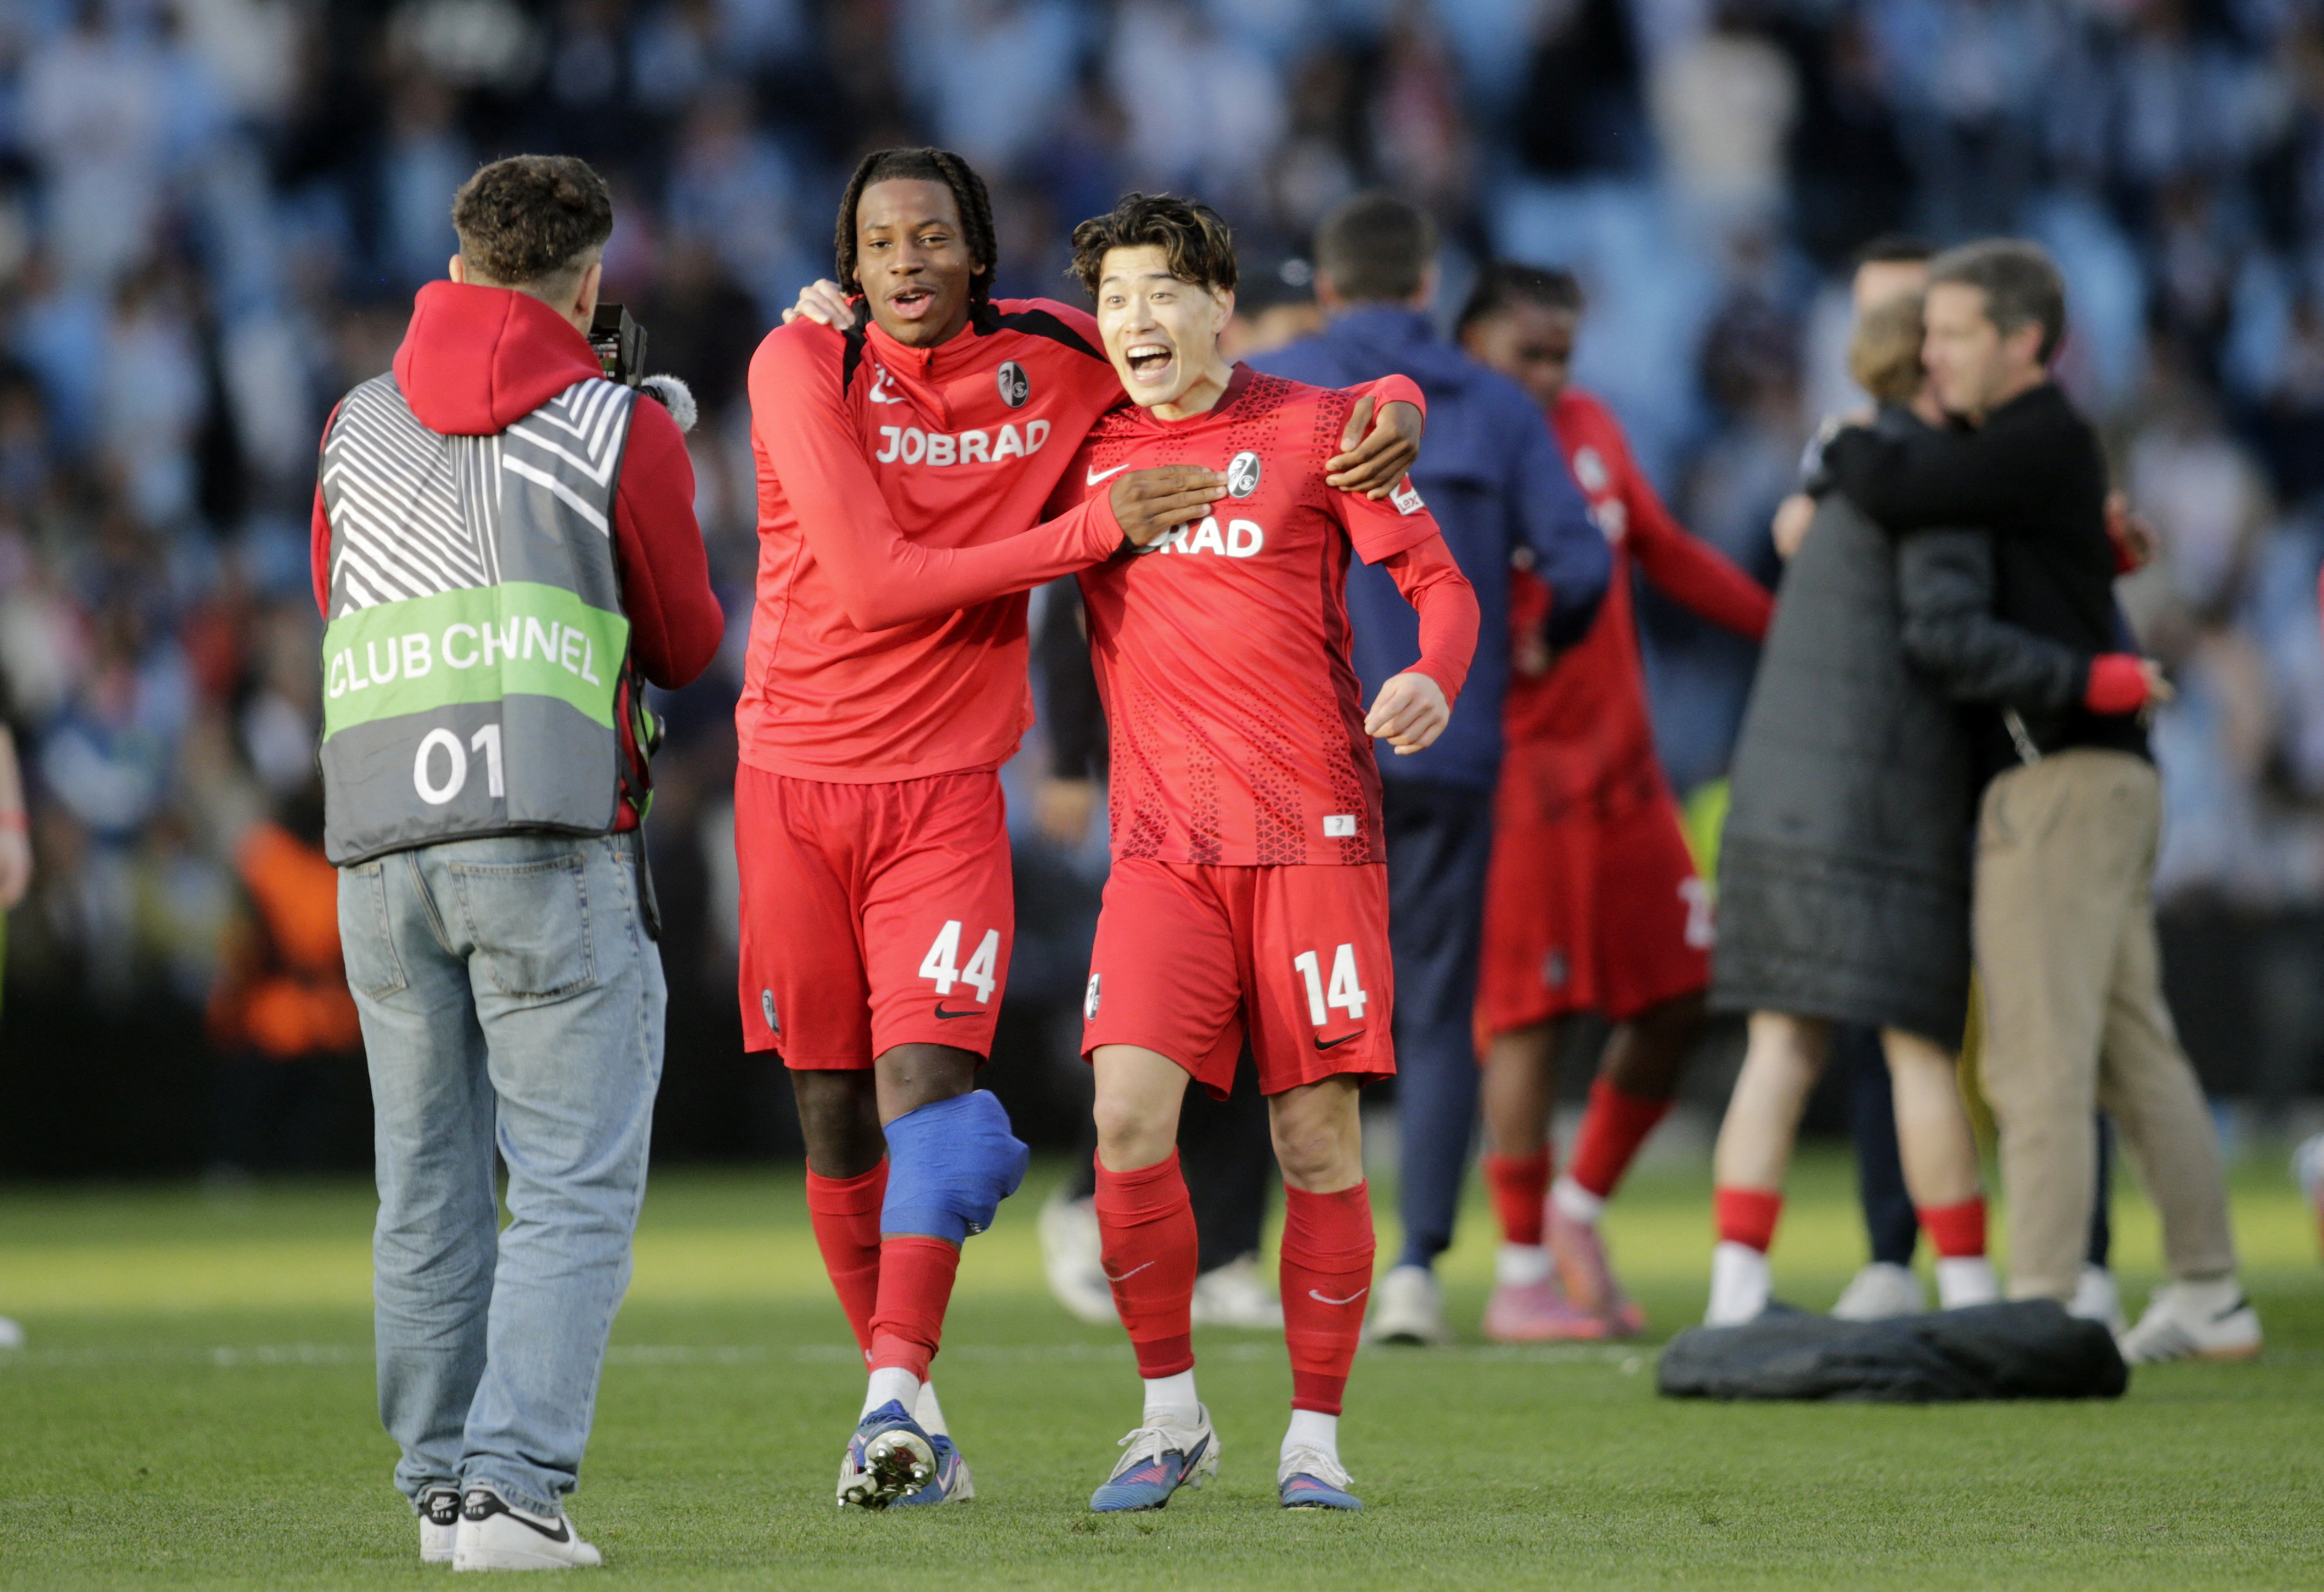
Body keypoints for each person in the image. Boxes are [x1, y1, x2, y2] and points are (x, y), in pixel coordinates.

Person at [751, 149, 1427, 1506]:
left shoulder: (1063, 357)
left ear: (978, 250)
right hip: (794, 769)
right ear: (849, 260)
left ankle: (900, 1405)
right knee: (836, 1116)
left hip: (963, 783)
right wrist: (1092, 531)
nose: (906, 260)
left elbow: (1263, 391)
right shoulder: (806, 360)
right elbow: (876, 582)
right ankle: (929, 1408)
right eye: (878, 240)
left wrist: (1399, 397)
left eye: (932, 234)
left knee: (943, 1097)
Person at [314, 156, 723, 1569]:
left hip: (381, 838)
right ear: (590, 282)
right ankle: (511, 1489)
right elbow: (686, 640)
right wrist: (655, 450)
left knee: (423, 1177)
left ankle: (440, 1490)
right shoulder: (617, 424)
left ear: (458, 262)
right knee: (567, 1179)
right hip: (545, 833)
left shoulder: (352, 422)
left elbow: (331, 590)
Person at [1050, 193, 1477, 1513]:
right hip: (1161, 849)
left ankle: (1314, 1438)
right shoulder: (1083, 444)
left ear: (1220, 305)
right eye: (1115, 298)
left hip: (1315, 841)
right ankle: (1169, 1416)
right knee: (1127, 1120)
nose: (1136, 319)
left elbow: (1441, 583)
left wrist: (1435, 674)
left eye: (1161, 292)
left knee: (1315, 1141)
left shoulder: (1314, 426)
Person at [1821, 239, 2260, 1364]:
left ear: (2025, 342)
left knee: (2035, 1063)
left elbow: (1903, 486)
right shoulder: (2044, 448)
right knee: (2133, 1050)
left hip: (2057, 779)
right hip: (2108, 774)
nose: (1933, 354)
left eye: (1955, 333)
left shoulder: (2029, 437)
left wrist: (1842, 439)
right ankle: (2209, 1291)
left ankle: (2042, 1308)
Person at [1249, 195, 1611, 1347]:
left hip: (1305, 743)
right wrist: (1532, 641)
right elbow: (1581, 560)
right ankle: (1414, 1268)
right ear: (1426, 286)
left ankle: (1281, 1259)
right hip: (1450, 737)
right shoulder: (1497, 405)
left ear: (1326, 287)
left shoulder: (1275, 385)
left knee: (1295, 1000)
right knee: (1442, 1007)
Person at [1453, 263, 1773, 1340]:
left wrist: (1786, 628)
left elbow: (1666, 551)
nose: (1550, 375)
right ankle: (1520, 1273)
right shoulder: (1448, 446)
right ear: (1471, 345)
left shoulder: (1591, 425)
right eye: (1528, 354)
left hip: (1628, 776)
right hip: (1524, 781)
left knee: (1684, 993)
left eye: (1561, 355)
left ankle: (1577, 1208)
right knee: (1530, 1022)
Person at [1702, 287, 1998, 1328]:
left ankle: (1735, 1292)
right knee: (1919, 1051)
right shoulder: (1931, 486)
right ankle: (1969, 1289)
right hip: (1881, 804)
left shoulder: (1828, 486)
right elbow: (1952, 641)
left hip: (1774, 800)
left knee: (1780, 1050)